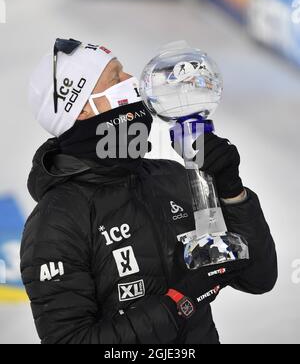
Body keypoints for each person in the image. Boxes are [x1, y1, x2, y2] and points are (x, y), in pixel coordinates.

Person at [21, 39, 278, 344]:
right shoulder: (55, 222)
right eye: (116, 77)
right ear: (81, 109)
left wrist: (231, 192)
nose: (132, 81)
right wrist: (177, 303)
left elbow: (259, 277)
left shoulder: (170, 178)